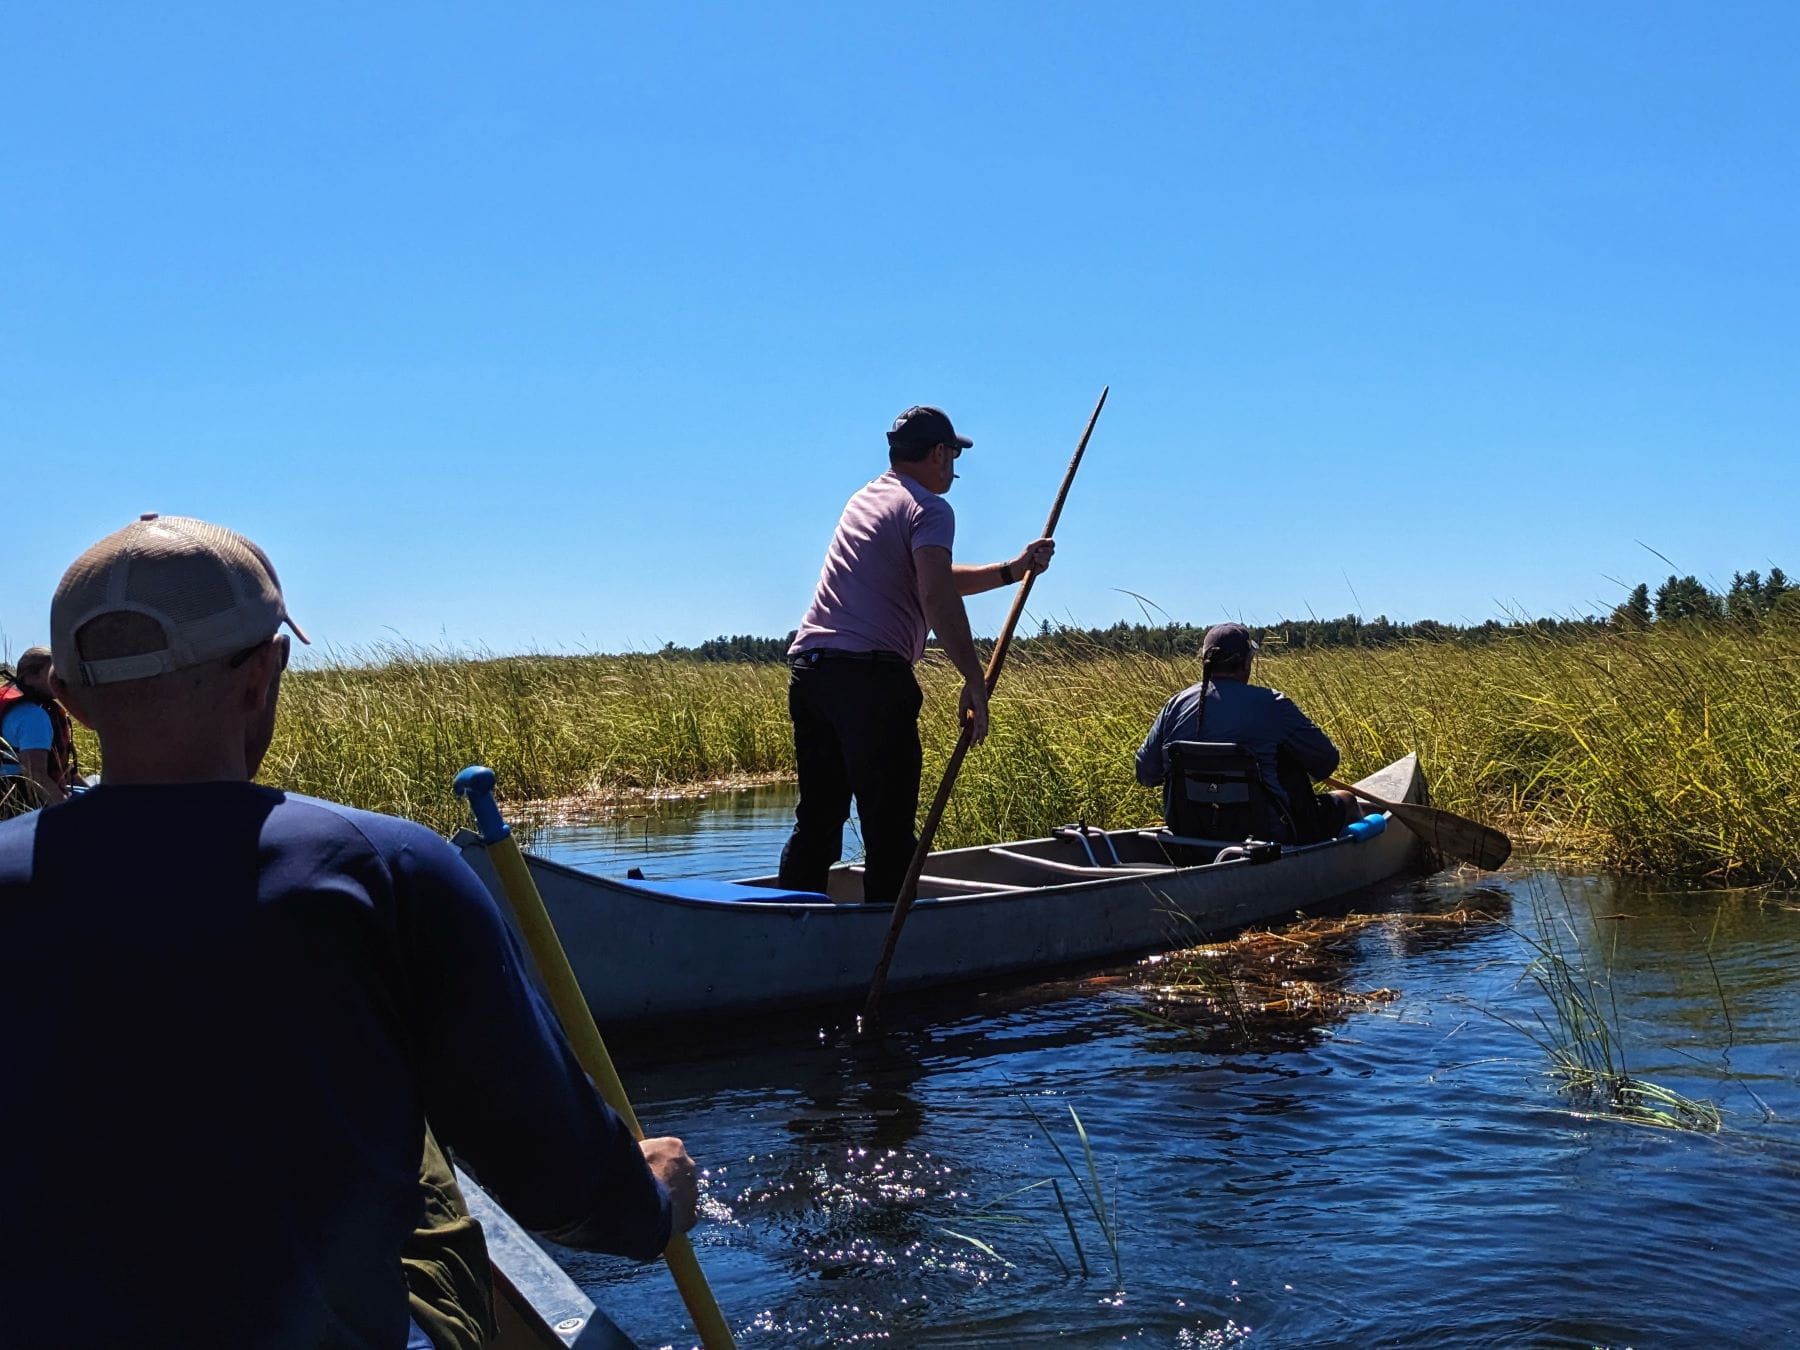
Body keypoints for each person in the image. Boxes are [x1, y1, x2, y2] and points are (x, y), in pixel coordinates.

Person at [0, 513, 699, 1349]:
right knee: (417, 1143)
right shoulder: (387, 869)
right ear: (265, 671)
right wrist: (651, 1202)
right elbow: (558, 1185)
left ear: (70, 701)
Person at [776, 406, 1054, 902]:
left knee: (819, 818)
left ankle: (786, 924)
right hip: (869, 679)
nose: (954, 469)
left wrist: (1012, 571)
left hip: (812, 672)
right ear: (939, 453)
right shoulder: (930, 509)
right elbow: (936, 595)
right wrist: (973, 679)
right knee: (888, 828)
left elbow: (930, 578)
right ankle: (889, 933)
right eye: (953, 456)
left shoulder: (866, 499)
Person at [1135, 622, 1362, 843]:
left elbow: (1146, 774)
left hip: (1191, 836)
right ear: (1246, 663)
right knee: (1347, 800)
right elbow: (1326, 761)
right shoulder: (1273, 704)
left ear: (1205, 662)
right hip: (1266, 836)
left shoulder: (1175, 705)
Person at [0, 646, 75, 804]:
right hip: (19, 801)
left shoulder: (11, 707)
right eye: (54, 672)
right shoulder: (33, 716)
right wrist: (70, 811)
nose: (62, 678)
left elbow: (64, 772)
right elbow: (35, 776)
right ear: (30, 677)